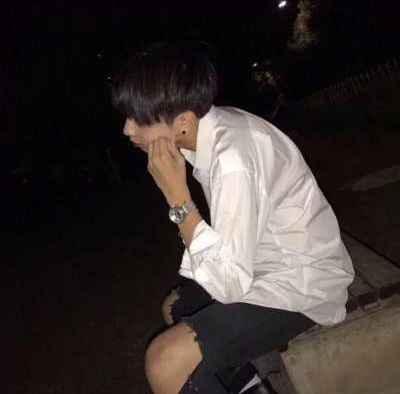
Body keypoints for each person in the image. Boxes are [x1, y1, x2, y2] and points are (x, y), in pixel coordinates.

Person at [110, 41, 355, 394]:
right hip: (266, 263)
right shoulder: (212, 130)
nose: (127, 129)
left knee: (165, 362)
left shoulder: (232, 159)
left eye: (138, 118)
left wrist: (177, 198)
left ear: (183, 120)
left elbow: (229, 284)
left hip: (304, 281)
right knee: (174, 307)